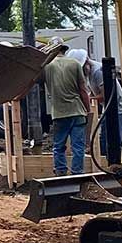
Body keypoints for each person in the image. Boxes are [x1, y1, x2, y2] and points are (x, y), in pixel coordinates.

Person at [44, 46, 95, 177]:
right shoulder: (75, 64)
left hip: (59, 113)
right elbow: (83, 89)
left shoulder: (47, 66)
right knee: (78, 147)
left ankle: (60, 173)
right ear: (64, 50)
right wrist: (88, 109)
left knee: (59, 146)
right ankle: (77, 174)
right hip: (77, 112)